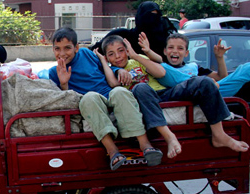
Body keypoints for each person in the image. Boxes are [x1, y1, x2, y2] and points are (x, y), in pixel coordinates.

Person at [48, 27, 163, 170]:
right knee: (89, 97)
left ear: (76, 47)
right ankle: (113, 151)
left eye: (67, 48)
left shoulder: (86, 54)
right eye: (57, 49)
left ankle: (145, 145)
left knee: (120, 91)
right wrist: (64, 83)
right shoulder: (54, 72)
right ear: (53, 50)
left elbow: (105, 68)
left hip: (108, 94)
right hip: (91, 102)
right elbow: (65, 100)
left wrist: (118, 70)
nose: (62, 53)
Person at [131, 34, 250, 154]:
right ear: (165, 51)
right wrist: (147, 51)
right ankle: (170, 137)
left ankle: (219, 135)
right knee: (141, 88)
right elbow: (158, 63)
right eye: (171, 47)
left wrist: (219, 57)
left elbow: (221, 77)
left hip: (199, 91)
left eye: (180, 48)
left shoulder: (193, 67)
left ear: (187, 53)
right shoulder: (160, 66)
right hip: (173, 93)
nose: (175, 51)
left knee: (244, 70)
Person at [98, 34, 182, 159]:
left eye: (121, 51)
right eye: (111, 54)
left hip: (157, 95)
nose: (117, 56)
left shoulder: (137, 60)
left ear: (127, 50)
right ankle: (168, 137)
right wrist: (104, 62)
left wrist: (136, 55)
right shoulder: (112, 72)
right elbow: (113, 84)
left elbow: (161, 72)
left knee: (201, 82)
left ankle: (171, 137)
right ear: (107, 58)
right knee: (139, 87)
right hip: (140, 102)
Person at [91, 1, 176, 62]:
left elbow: (169, 62)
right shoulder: (123, 36)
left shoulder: (166, 39)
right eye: (148, 16)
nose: (152, 20)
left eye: (155, 15)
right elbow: (94, 52)